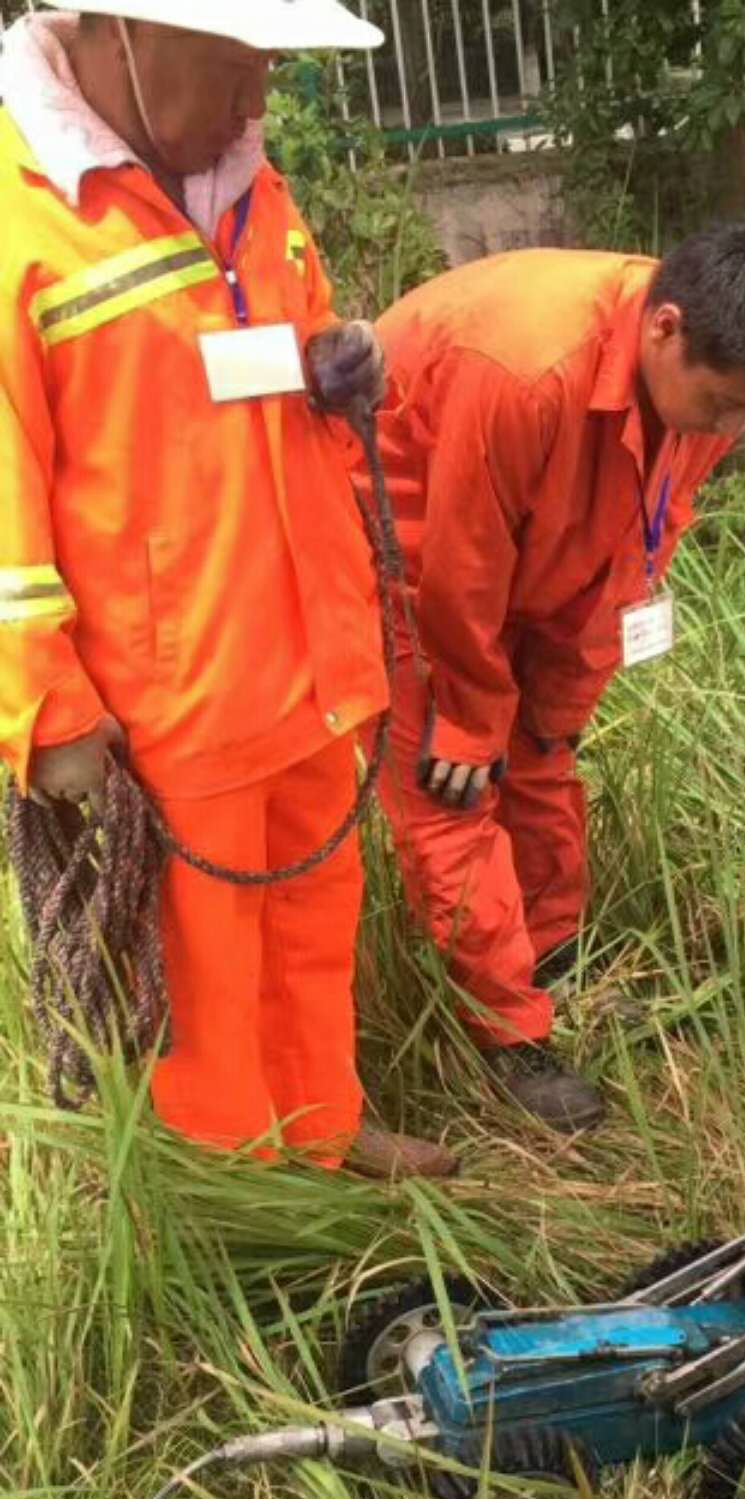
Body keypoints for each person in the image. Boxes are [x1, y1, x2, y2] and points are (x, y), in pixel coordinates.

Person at [0, 0, 455, 1178]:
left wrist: (332, 361)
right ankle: (237, 1204)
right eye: (238, 64)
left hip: (308, 662)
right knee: (200, 974)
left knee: (313, 925)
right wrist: (45, 710)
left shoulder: (247, 182)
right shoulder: (21, 218)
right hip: (170, 695)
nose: (260, 98)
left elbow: (281, 345)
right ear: (120, 36)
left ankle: (323, 1132)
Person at [364, 222, 745, 1131]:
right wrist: (468, 718)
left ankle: (550, 957)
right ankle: (506, 1035)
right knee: (452, 791)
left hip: (545, 543)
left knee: (541, 755)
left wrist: (560, 700)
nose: (732, 430)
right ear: (663, 328)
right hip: (409, 551)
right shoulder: (526, 369)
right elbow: (461, 562)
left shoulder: (700, 385)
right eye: (724, 406)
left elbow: (640, 537)